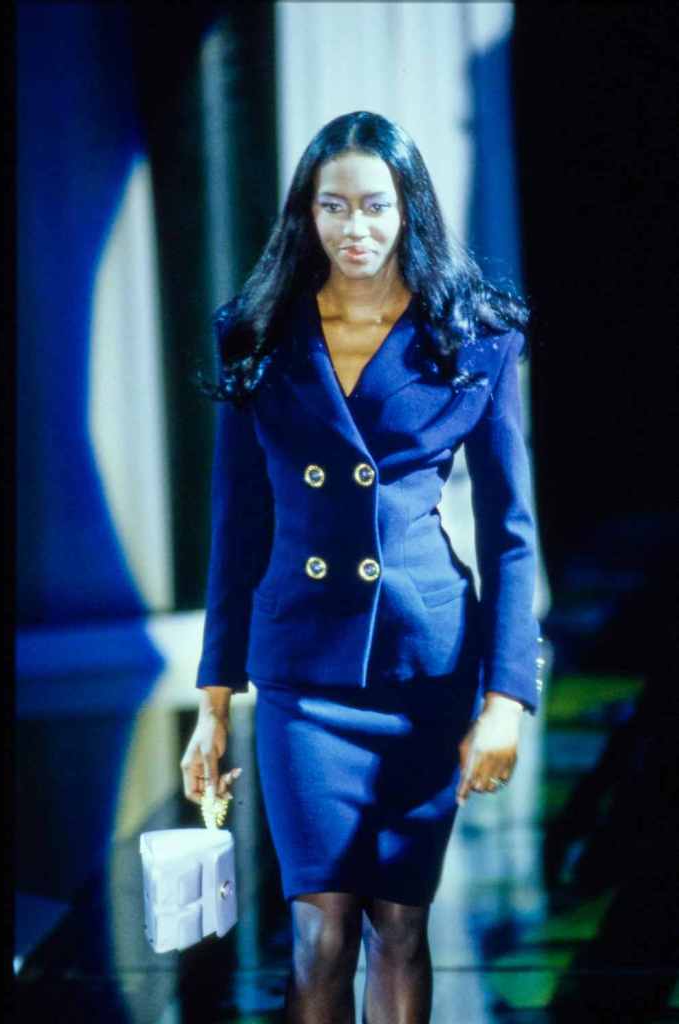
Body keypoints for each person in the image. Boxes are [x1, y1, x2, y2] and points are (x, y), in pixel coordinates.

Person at [180, 111, 544, 1024]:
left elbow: (509, 529)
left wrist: (506, 697)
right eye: (333, 205)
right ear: (305, 214)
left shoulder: (472, 335)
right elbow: (236, 523)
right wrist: (213, 702)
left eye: (376, 206)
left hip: (423, 667)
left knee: (399, 926)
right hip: (303, 675)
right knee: (319, 931)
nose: (355, 227)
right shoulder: (256, 333)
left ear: (408, 209)